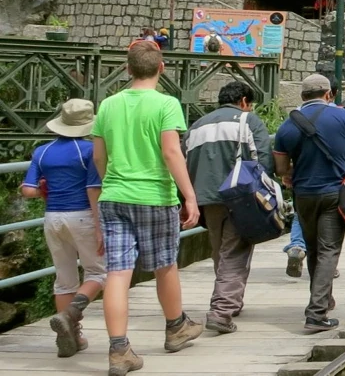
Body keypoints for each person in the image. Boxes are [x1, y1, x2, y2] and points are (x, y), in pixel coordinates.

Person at [91, 40, 204, 376]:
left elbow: (99, 155)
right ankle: (175, 327)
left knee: (117, 273)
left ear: (128, 69)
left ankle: (119, 350)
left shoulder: (108, 105)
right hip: (154, 197)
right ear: (161, 68)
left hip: (114, 196)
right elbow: (172, 152)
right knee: (165, 265)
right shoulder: (166, 104)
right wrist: (190, 196)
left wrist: (112, 182)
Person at [272, 74, 345, 333]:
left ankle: (324, 300)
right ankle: (316, 313)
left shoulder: (287, 126)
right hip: (334, 192)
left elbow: (281, 168)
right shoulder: (343, 117)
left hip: (303, 195)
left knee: (313, 249)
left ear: (303, 97)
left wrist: (291, 172)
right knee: (328, 251)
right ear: (328, 94)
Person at [183, 81, 271, 335]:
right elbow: (262, 159)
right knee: (236, 250)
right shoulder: (247, 121)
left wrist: (186, 200)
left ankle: (231, 300)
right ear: (244, 101)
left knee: (220, 249)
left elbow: (184, 161)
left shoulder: (197, 126)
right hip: (239, 197)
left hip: (206, 198)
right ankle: (221, 310)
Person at [21, 98, 104, 359]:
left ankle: (71, 337)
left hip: (52, 218)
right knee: (99, 273)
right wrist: (99, 225)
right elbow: (93, 189)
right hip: (82, 216)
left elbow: (28, 190)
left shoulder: (42, 152)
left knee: (64, 279)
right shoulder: (90, 151)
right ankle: (70, 314)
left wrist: (46, 189)